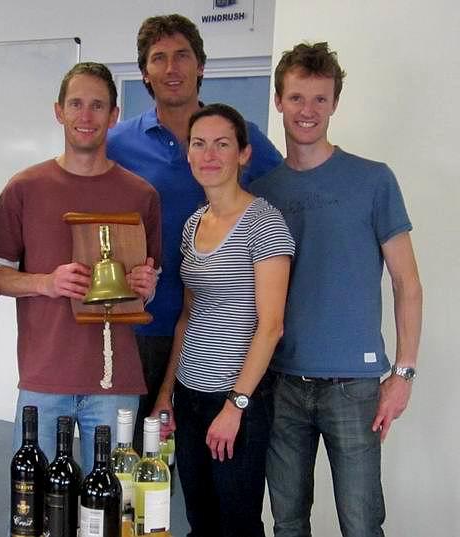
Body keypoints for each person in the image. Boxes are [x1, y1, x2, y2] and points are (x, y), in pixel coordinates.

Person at [250, 42, 423, 537]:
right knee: (286, 523)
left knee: (362, 524)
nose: (308, 111)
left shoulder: (373, 180)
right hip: (280, 383)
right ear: (279, 100)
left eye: (320, 99)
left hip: (355, 386)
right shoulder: (263, 192)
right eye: (297, 97)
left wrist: (404, 373)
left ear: (334, 104)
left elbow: (407, 283)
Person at [107, 13, 283, 451]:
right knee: (130, 462)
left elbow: (285, 199)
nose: (172, 68)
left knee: (212, 470)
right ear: (144, 72)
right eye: (159, 58)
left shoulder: (240, 136)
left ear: (201, 65)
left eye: (182, 56)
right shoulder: (118, 142)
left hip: (216, 335)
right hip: (137, 328)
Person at [0, 62, 161, 474]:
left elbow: (149, 281)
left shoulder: (141, 195)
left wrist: (145, 285)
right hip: (44, 380)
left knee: (113, 509)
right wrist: (47, 283)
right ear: (58, 111)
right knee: (38, 511)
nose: (86, 116)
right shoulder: (24, 188)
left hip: (115, 383)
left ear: (114, 115)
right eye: (76, 104)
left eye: (98, 105)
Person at [153, 104, 294, 536]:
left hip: (236, 400)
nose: (209, 155)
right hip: (190, 394)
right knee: (199, 519)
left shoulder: (264, 224)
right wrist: (165, 397)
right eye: (199, 144)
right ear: (189, 154)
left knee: (237, 523)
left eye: (222, 144)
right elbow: (188, 317)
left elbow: (271, 327)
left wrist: (236, 406)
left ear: (243, 154)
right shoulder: (194, 223)